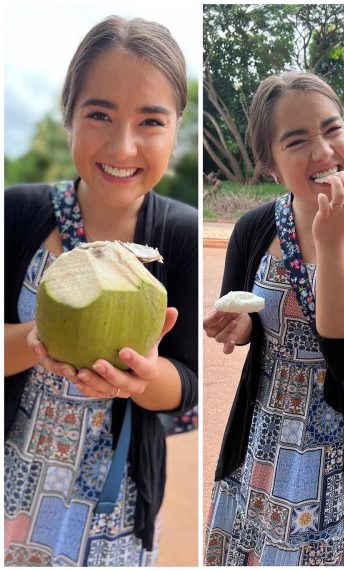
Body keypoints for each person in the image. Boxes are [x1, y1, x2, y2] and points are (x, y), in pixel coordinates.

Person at [4, 16, 198, 566]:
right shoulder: (17, 212)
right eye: (99, 115)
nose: (123, 145)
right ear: (68, 115)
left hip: (111, 501)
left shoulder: (178, 236)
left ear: (176, 129)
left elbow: (185, 387)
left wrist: (143, 374)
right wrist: (43, 338)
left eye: (151, 121)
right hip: (11, 475)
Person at [203, 71, 344, 566]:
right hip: (265, 422)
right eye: (297, 140)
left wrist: (331, 244)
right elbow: (242, 309)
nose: (323, 151)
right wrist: (240, 326)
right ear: (271, 164)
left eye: (332, 130)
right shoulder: (253, 227)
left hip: (342, 434)